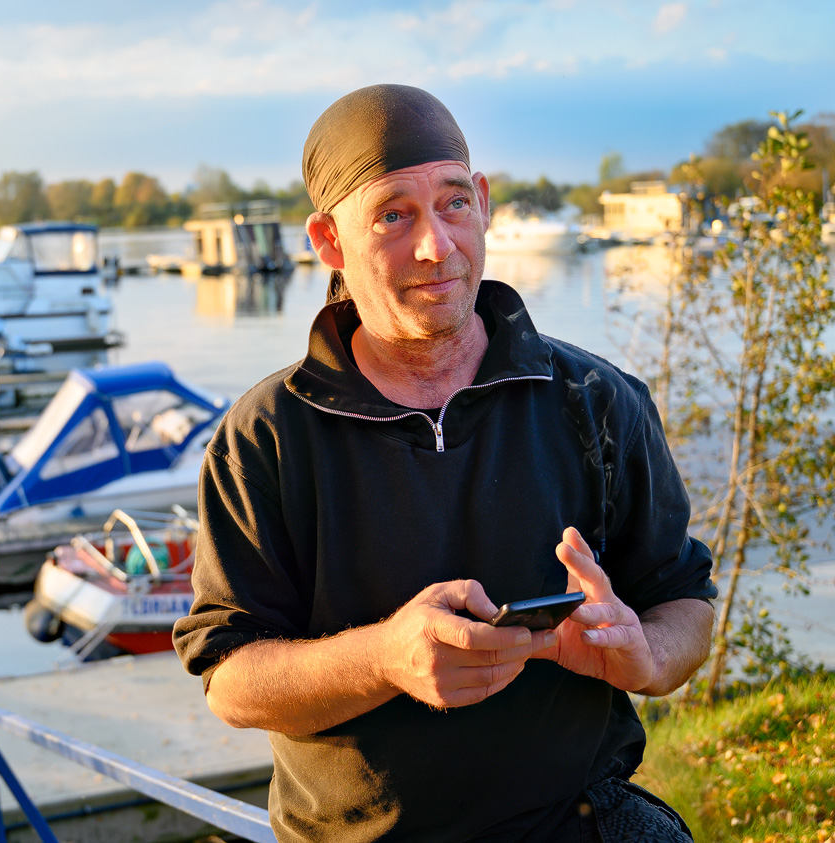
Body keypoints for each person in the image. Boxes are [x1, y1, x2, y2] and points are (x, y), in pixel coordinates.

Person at [172, 84, 717, 842]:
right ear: (329, 241)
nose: (437, 246)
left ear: (485, 201)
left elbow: (686, 600)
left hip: (582, 822)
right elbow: (230, 682)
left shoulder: (597, 400)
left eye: (454, 203)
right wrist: (383, 659)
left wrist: (643, 652)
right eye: (394, 214)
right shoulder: (264, 436)